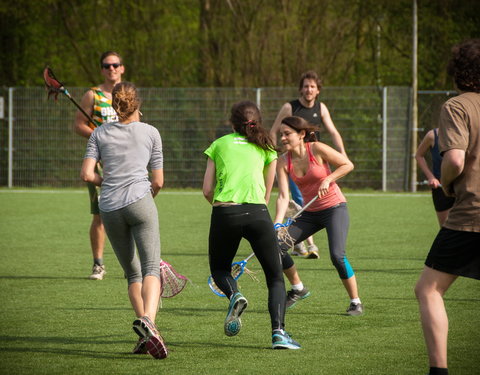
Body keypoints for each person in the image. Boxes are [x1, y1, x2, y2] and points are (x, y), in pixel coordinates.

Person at [202, 100, 301, 349]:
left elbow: (206, 190)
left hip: (225, 213)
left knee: (220, 269)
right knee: (276, 278)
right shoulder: (265, 146)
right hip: (258, 213)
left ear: (231, 123)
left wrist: (222, 206)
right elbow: (267, 193)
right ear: (258, 121)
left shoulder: (218, 144)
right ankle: (278, 333)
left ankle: (234, 293)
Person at [80, 82, 168, 359]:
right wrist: (147, 196)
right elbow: (158, 181)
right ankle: (149, 322)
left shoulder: (98, 133)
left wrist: (105, 180)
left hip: (109, 206)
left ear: (114, 105)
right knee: (151, 268)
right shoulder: (151, 132)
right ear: (137, 104)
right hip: (140, 202)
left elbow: (86, 175)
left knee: (133, 274)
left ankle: (144, 327)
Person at [414, 39, 480, 375]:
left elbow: (454, 158)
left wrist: (448, 180)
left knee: (428, 288)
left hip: (472, 214)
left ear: (458, 72)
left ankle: (438, 371)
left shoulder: (457, 107)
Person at [274, 116, 363, 315]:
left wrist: (328, 179)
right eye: (281, 134)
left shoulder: (317, 149)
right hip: (310, 213)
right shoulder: (283, 161)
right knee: (276, 248)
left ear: (301, 134)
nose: (283, 138)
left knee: (337, 256)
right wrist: (277, 224)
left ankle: (355, 302)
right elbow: (282, 196)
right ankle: (298, 289)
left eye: (287, 134)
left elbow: (347, 165)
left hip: (334, 208)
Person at [270, 70, 347, 259]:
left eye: (312, 86)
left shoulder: (321, 108)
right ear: (300, 89)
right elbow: (273, 131)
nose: (309, 90)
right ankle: (308, 245)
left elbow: (334, 132)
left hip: (314, 164)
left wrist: (342, 153)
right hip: (295, 164)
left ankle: (301, 244)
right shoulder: (290, 108)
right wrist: (274, 157)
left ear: (318, 90)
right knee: (299, 202)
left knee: (304, 205)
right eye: (305, 86)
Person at [74, 51, 125, 280]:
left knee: (132, 212)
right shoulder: (92, 95)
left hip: (126, 161)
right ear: (102, 69)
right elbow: (79, 125)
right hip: (99, 160)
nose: (111, 68)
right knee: (100, 215)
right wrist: (100, 136)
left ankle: (131, 265)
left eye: (115, 65)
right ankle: (98, 265)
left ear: (122, 68)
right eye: (107, 65)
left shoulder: (128, 94)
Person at [415, 128, 455, 226]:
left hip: (463, 188)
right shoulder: (432, 135)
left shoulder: (468, 133)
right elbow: (419, 155)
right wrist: (431, 177)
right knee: (446, 229)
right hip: (441, 189)